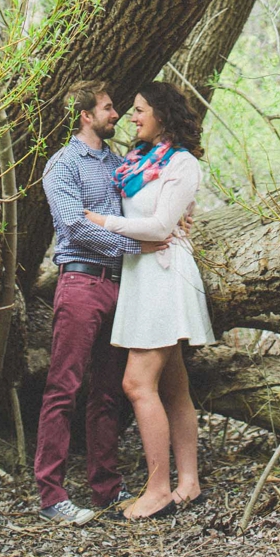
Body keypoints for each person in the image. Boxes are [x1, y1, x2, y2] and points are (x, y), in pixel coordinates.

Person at [34, 79, 170, 525]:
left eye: (116, 108)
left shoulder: (118, 164)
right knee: (63, 388)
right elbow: (73, 227)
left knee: (108, 393)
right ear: (86, 116)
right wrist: (132, 248)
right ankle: (52, 495)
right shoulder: (62, 165)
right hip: (80, 286)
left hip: (122, 287)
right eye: (109, 108)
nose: (117, 116)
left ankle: (107, 489)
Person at [84, 81, 214, 520]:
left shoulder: (182, 164)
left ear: (161, 114)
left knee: (137, 384)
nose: (132, 117)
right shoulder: (135, 163)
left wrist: (103, 222)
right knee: (174, 385)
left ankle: (159, 489)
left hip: (165, 275)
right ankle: (190, 483)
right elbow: (144, 222)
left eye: (140, 110)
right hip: (140, 274)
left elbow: (160, 228)